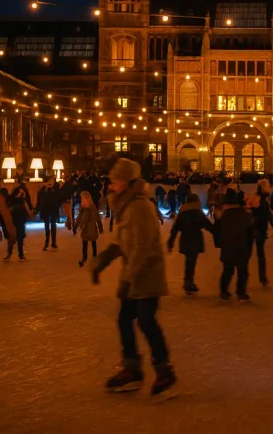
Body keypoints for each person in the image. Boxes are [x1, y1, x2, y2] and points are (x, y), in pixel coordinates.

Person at [92, 159, 176, 400]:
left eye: (115, 181)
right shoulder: (127, 206)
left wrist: (129, 278)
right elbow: (121, 242)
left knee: (146, 321)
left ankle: (165, 371)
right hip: (135, 274)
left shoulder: (139, 207)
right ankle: (132, 368)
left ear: (126, 182)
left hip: (147, 274)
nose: (111, 185)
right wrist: (102, 261)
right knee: (125, 319)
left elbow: (143, 247)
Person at [213, 188, 257, 300]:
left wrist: (219, 243)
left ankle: (224, 290)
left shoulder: (224, 215)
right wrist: (249, 247)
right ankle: (241, 292)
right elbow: (251, 233)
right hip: (241, 247)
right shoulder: (246, 215)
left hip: (227, 247)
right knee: (242, 271)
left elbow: (217, 231)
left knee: (228, 270)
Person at [167, 193, 213, 294]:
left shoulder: (182, 213)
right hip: (195, 239)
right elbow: (208, 226)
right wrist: (219, 233)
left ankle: (188, 282)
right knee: (191, 261)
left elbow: (175, 229)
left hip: (185, 239)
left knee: (189, 261)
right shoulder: (197, 212)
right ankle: (188, 282)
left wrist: (170, 242)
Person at [249, 179, 273, 286]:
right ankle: (261, 276)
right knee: (255, 254)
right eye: (268, 186)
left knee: (259, 254)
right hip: (256, 229)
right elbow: (264, 214)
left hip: (259, 228)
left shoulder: (262, 198)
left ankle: (262, 276)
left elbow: (268, 214)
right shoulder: (259, 198)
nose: (270, 187)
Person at [74, 190, 103, 268]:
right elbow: (79, 218)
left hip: (91, 228)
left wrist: (100, 227)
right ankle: (85, 258)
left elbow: (97, 218)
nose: (83, 200)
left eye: (84, 199)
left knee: (93, 243)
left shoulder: (92, 208)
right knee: (85, 244)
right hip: (84, 228)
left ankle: (93, 258)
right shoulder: (83, 208)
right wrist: (75, 226)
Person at [5, 184, 32, 261]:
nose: (22, 193)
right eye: (21, 191)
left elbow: (27, 206)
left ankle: (21, 255)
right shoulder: (10, 199)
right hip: (12, 220)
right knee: (11, 238)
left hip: (20, 220)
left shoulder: (22, 199)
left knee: (20, 238)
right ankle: (9, 253)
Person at [35, 177, 61, 251]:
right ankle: (49, 243)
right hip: (48, 210)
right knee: (49, 226)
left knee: (51, 226)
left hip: (50, 210)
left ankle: (52, 242)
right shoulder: (43, 191)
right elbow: (40, 201)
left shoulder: (54, 190)